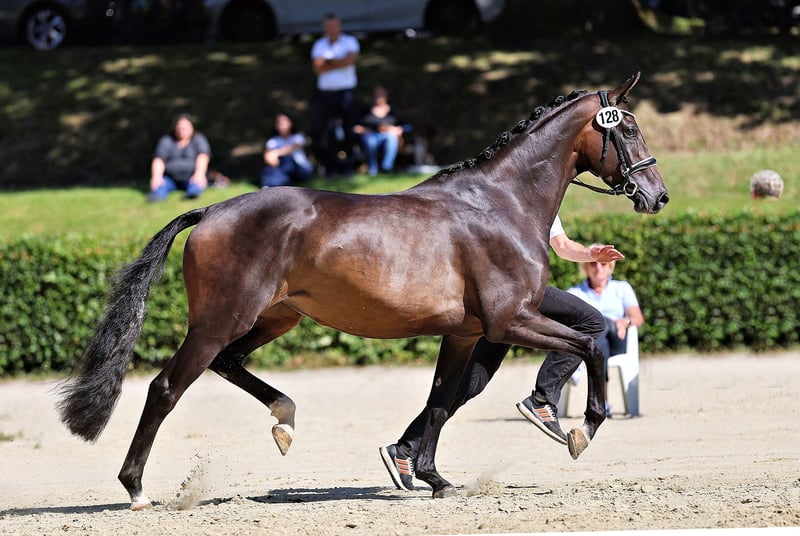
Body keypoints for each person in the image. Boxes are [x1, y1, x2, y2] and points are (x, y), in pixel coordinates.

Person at [379, 214, 622, 491]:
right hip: (505, 296)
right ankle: (543, 399)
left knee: (470, 383)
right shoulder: (508, 195)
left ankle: (405, 449)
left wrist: (591, 252)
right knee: (591, 321)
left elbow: (562, 245)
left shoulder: (543, 201)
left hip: (503, 302)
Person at [567, 253, 644, 415]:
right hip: (590, 342)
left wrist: (625, 321)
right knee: (598, 333)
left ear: (610, 267)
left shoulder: (622, 288)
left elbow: (637, 318)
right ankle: (602, 403)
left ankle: (577, 371)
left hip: (617, 338)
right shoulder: (575, 292)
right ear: (586, 267)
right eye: (593, 264)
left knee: (601, 323)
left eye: (603, 264)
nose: (599, 268)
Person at [310, 13, 360, 177]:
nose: (331, 29)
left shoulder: (350, 42)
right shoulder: (319, 44)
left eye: (334, 26)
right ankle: (332, 167)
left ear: (339, 26)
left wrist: (328, 62)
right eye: (328, 27)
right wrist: (339, 61)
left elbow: (349, 60)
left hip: (345, 93)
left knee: (348, 130)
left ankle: (350, 167)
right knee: (328, 131)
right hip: (326, 94)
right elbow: (318, 67)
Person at [147, 113, 211, 202]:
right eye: (180, 127)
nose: (182, 130)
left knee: (196, 185)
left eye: (185, 127)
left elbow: (203, 157)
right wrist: (156, 177)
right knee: (159, 186)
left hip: (191, 177)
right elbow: (159, 159)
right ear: (175, 128)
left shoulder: (198, 139)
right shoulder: (167, 140)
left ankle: (191, 195)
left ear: (192, 127)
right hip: (170, 179)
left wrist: (199, 174)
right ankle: (156, 197)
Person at [354, 86, 407, 176]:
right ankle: (372, 169)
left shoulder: (393, 111)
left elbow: (405, 126)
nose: (378, 97)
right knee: (370, 141)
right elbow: (355, 127)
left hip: (387, 135)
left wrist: (396, 130)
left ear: (386, 96)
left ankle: (386, 168)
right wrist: (365, 130)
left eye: (381, 95)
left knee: (391, 138)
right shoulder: (365, 110)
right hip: (370, 135)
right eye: (376, 95)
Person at [260, 113, 314, 188]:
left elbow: (292, 148)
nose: (283, 125)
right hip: (282, 168)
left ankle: (272, 184)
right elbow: (268, 157)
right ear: (276, 126)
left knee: (287, 160)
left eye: (285, 122)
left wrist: (276, 153)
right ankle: (273, 183)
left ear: (291, 123)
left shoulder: (298, 137)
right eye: (280, 123)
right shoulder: (273, 141)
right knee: (270, 168)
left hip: (301, 169)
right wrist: (272, 158)